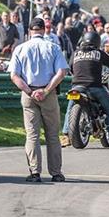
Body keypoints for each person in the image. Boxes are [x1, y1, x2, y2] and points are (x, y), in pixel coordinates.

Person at [9, 17, 69, 182]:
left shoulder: (20, 48)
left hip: (28, 94)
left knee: (32, 134)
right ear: (43, 30)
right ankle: (56, 173)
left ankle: (35, 172)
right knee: (52, 135)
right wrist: (47, 89)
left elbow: (14, 75)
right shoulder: (53, 47)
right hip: (48, 93)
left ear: (29, 31)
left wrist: (29, 91)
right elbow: (62, 72)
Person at [60, 31, 109, 149]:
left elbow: (70, 67)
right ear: (97, 42)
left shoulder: (76, 53)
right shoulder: (99, 53)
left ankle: (66, 136)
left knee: (69, 109)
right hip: (95, 86)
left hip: (77, 87)